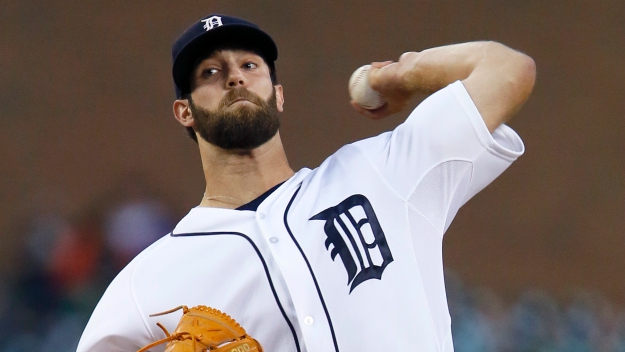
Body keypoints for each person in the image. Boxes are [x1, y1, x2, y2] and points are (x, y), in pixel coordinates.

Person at [77, 13, 535, 352]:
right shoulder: (147, 283)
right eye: (210, 73)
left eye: (250, 66)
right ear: (185, 112)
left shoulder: (377, 173)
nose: (234, 76)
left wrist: (399, 73)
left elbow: (506, 70)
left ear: (278, 95)